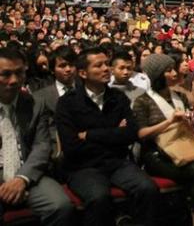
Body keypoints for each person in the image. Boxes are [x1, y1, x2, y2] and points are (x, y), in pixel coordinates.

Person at [55, 47, 161, 226]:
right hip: (83, 166)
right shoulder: (68, 103)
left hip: (117, 162)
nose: (106, 69)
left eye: (106, 64)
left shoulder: (118, 98)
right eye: (99, 65)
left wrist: (90, 134)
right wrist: (114, 133)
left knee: (148, 189)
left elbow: (130, 134)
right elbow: (71, 146)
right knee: (99, 198)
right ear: (83, 73)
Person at [133, 53, 194, 226]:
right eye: (168, 71)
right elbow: (141, 134)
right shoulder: (143, 101)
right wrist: (169, 121)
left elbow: (189, 131)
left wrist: (190, 122)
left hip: (183, 146)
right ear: (158, 76)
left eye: (173, 69)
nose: (175, 73)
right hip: (157, 154)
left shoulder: (180, 97)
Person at [0, 48, 74, 225]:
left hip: (28, 172)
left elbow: (42, 145)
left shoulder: (34, 103)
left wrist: (22, 179)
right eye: (5, 74)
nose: (14, 80)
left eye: (19, 73)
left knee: (60, 206)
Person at [33, 45, 78, 155]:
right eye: (62, 66)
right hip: (55, 155)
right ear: (53, 70)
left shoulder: (88, 91)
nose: (68, 69)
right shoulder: (40, 97)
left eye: (71, 65)